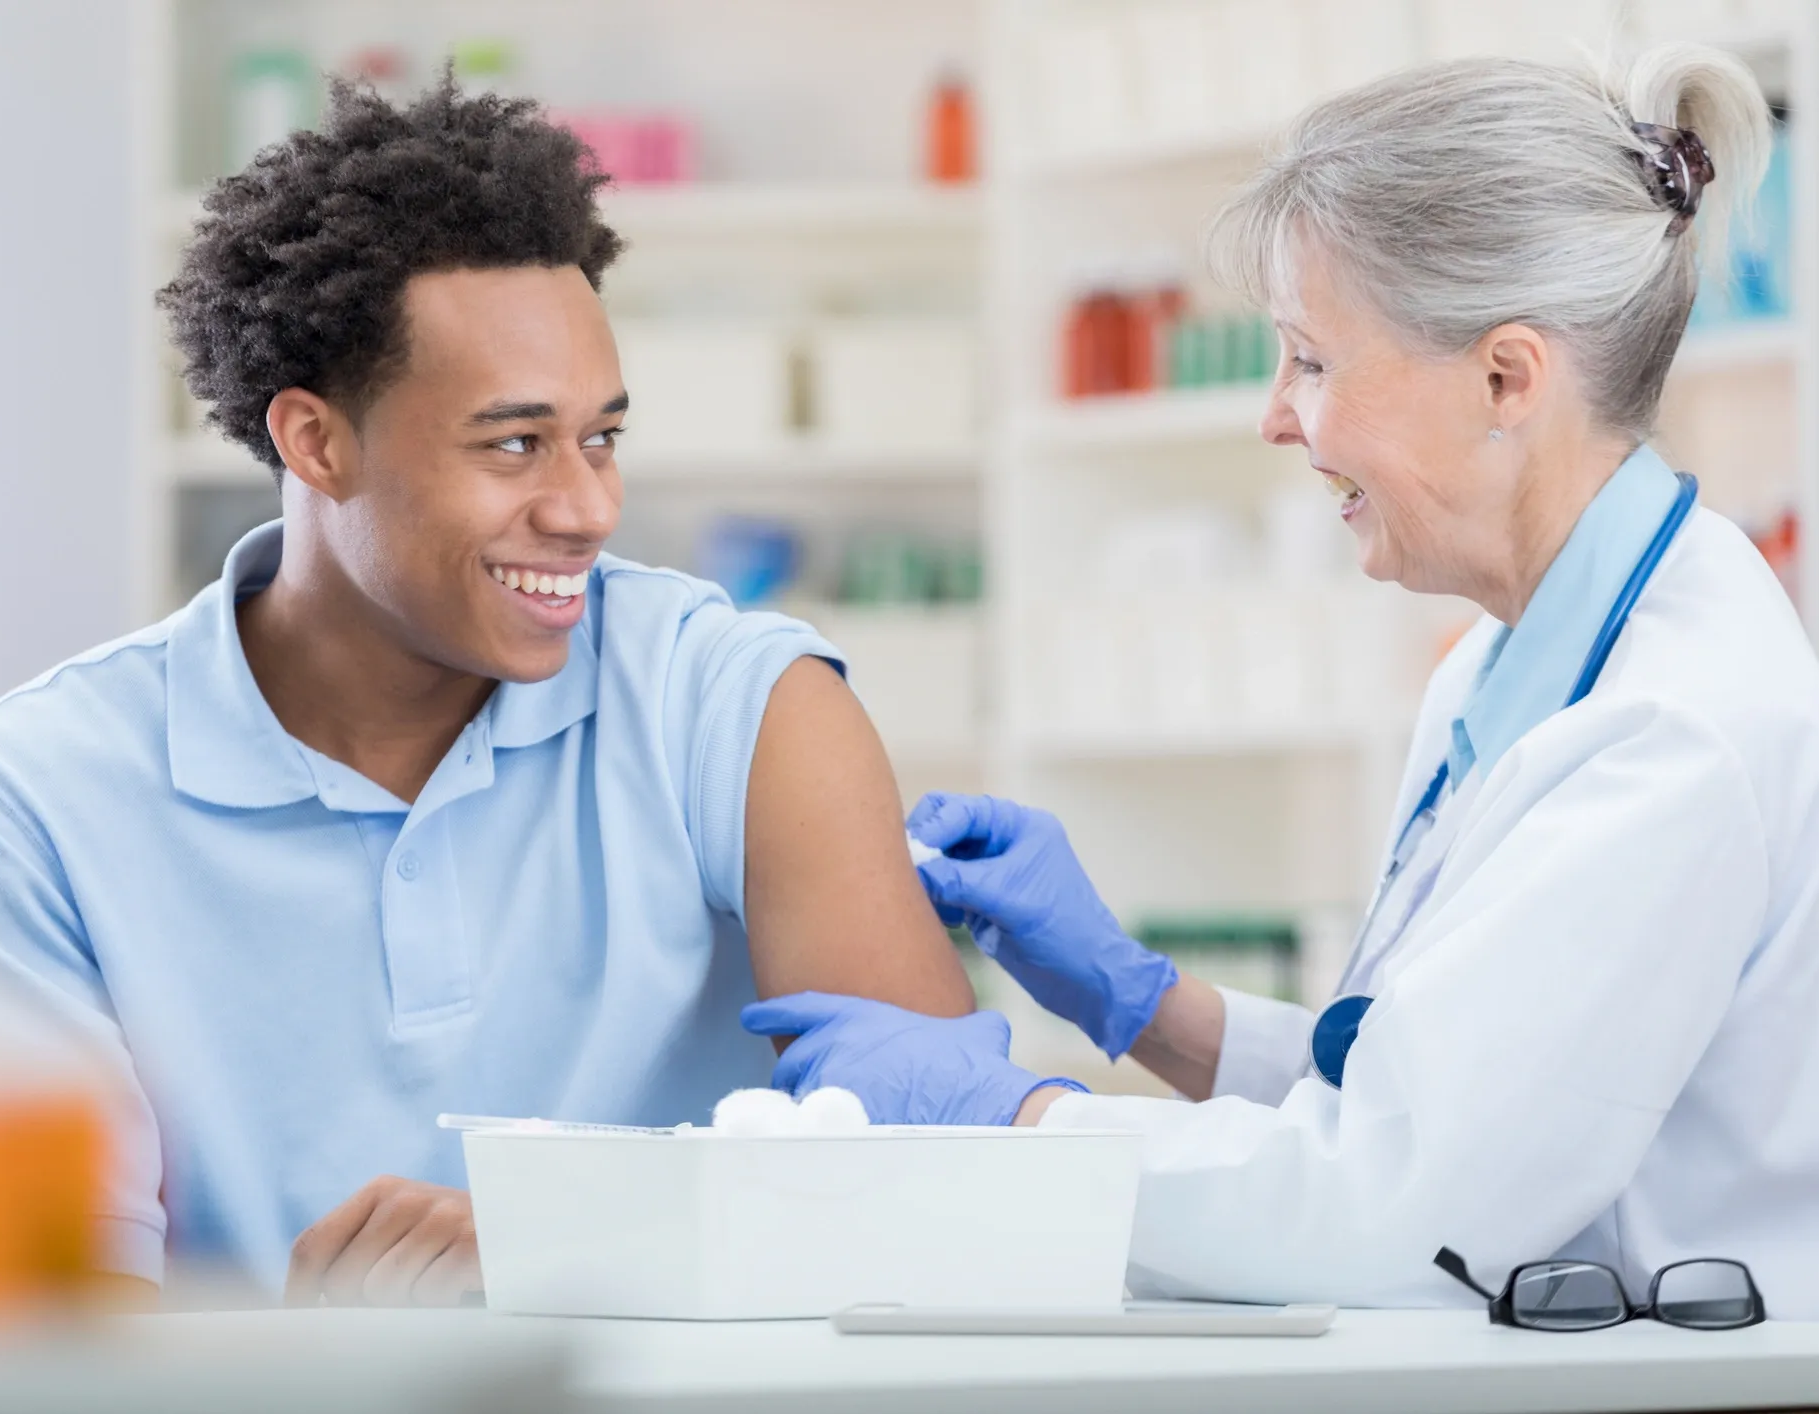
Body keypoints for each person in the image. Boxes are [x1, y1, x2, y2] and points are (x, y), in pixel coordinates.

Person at [748, 44, 1819, 1318]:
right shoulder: (1505, 666)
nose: (1274, 416)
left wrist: (1010, 1117)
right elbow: (1408, 1099)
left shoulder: (1672, 732)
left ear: (1506, 378)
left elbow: (1387, 1216)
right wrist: (1144, 1001)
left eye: (1311, 361)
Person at [0, 78, 972, 1307]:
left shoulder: (739, 709)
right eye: (514, 444)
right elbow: (53, 1338)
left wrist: (578, 1246)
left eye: (604, 437)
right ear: (316, 442)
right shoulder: (35, 794)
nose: (586, 508)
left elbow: (948, 1205)